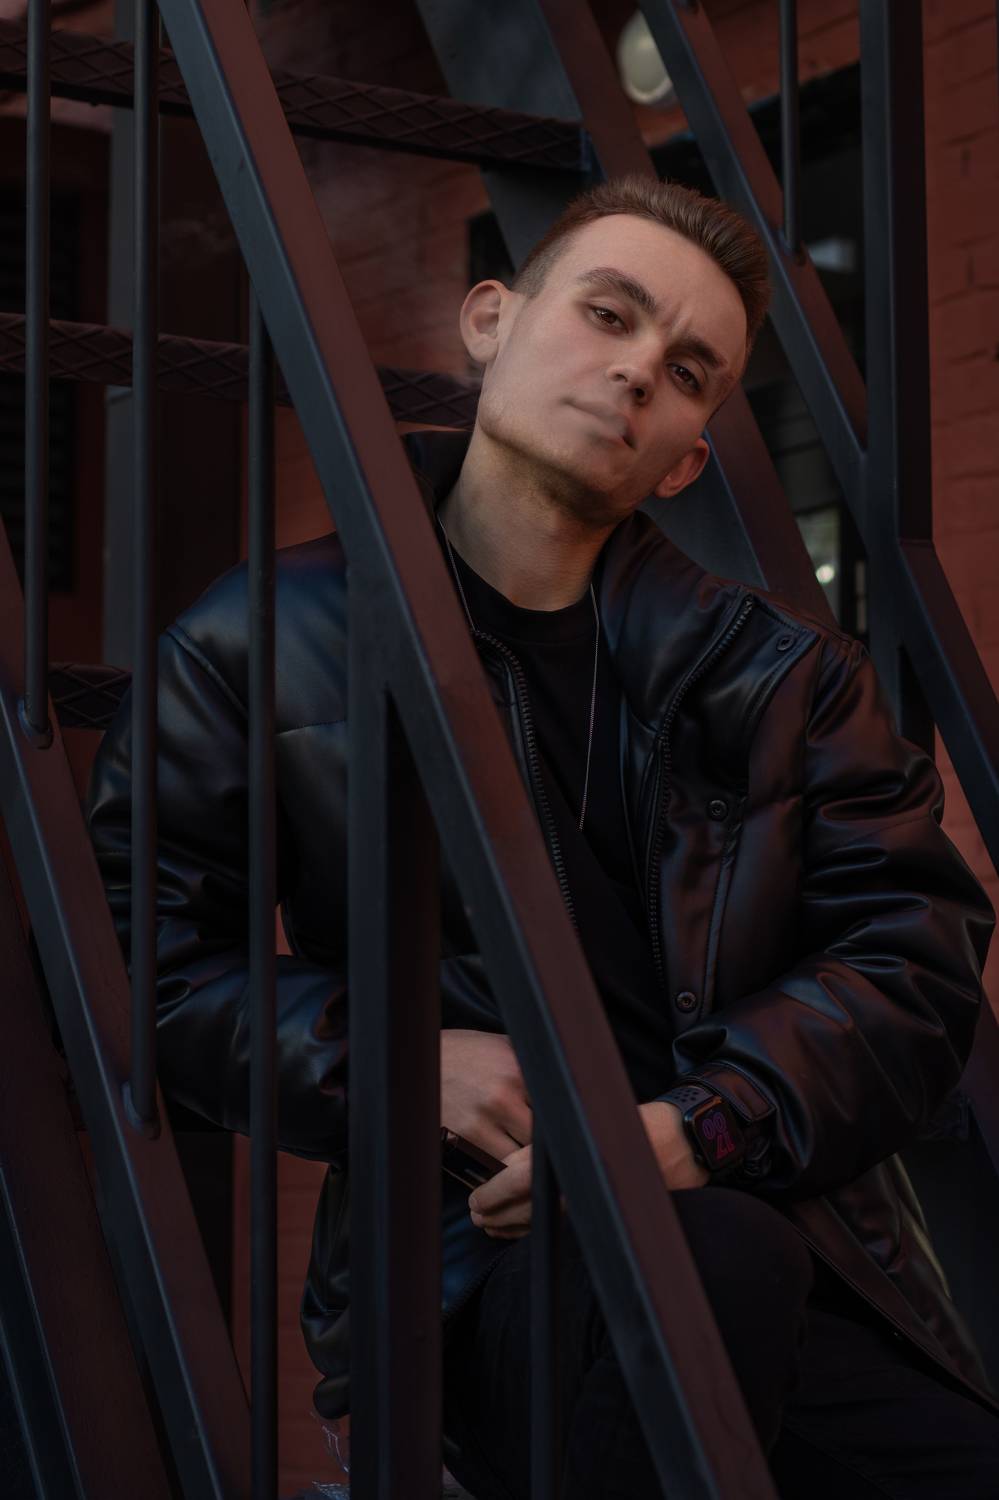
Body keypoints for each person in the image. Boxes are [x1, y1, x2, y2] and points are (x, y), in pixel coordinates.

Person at [86, 174, 999, 1497]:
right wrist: (397, 1061)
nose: (636, 371)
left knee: (750, 1273)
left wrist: (696, 1128)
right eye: (608, 315)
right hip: (476, 1255)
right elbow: (138, 956)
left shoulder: (786, 678)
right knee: (713, 1266)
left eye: (686, 371)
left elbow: (912, 959)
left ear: (685, 455)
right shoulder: (262, 643)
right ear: (489, 320)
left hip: (784, 1236)